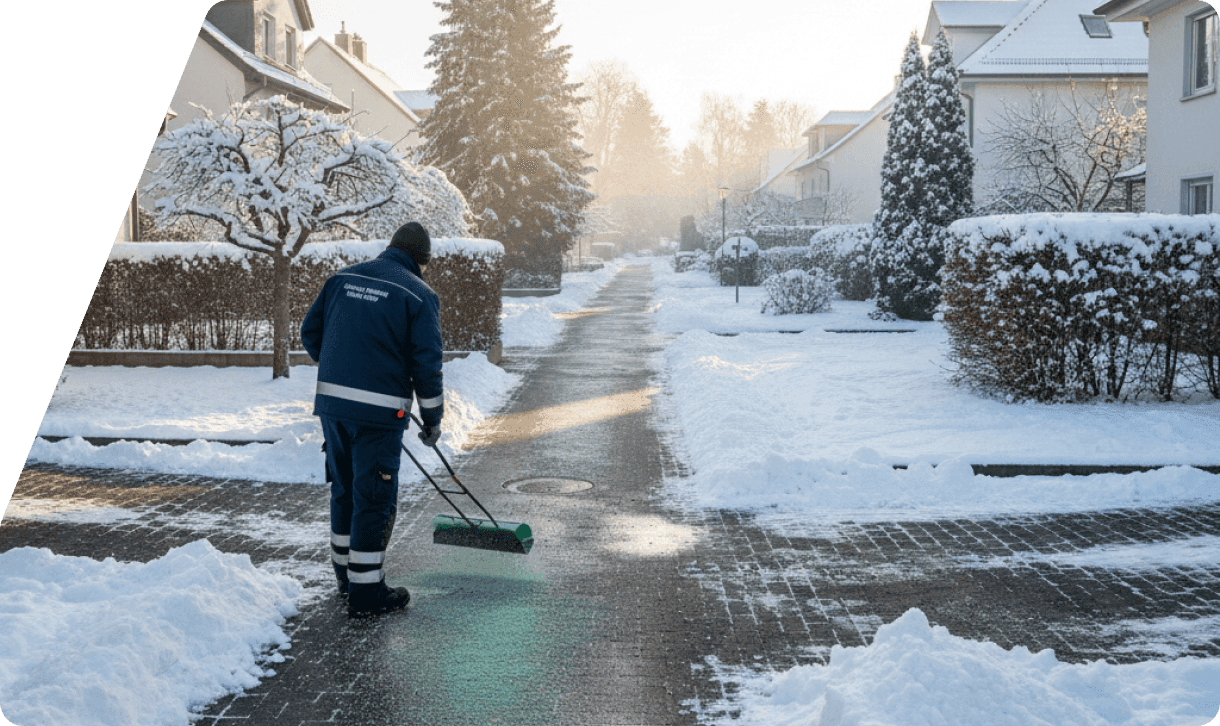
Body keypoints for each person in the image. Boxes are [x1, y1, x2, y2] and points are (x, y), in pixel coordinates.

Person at [301, 221, 444, 616]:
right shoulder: (419, 295)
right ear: (422, 261)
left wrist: (344, 370)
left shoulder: (341, 279)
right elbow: (427, 366)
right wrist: (432, 419)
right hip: (379, 416)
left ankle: (345, 579)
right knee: (373, 498)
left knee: (344, 489)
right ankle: (366, 594)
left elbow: (310, 333)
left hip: (333, 407)